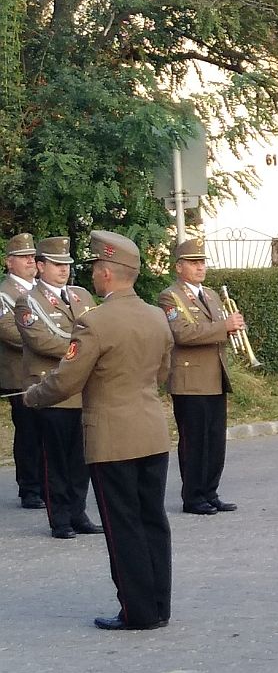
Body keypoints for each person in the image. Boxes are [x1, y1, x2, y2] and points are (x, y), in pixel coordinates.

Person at [24, 231, 173, 630]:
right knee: (153, 519)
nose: (92, 276)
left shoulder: (95, 322)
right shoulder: (157, 316)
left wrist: (32, 397)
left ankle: (137, 611)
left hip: (112, 438)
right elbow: (164, 373)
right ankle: (159, 606)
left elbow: (67, 380)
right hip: (152, 430)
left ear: (107, 274)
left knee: (122, 525)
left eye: (95, 269)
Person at [17, 237, 100, 539]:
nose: (63, 270)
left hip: (83, 389)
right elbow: (42, 342)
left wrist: (90, 347)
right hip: (50, 388)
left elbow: (98, 331)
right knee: (56, 460)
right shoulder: (29, 300)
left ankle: (79, 514)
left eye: (66, 264)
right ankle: (60, 519)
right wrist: (87, 349)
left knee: (81, 459)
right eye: (55, 264)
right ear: (40, 266)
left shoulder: (81, 296)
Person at [157, 238, 244, 517]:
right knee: (194, 441)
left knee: (215, 439)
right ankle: (193, 496)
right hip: (190, 379)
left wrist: (231, 329)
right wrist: (223, 327)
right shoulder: (170, 297)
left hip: (215, 376)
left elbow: (215, 330)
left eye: (202, 262)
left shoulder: (212, 295)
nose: (200, 267)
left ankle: (210, 491)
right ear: (179, 266)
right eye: (193, 263)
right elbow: (181, 333)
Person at [0, 234, 43, 510]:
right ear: (9, 262)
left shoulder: (42, 290)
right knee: (28, 432)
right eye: (24, 257)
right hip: (19, 373)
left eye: (32, 256)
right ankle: (30, 488)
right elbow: (9, 332)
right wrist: (46, 340)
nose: (30, 261)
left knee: (45, 431)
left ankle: (43, 482)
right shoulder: (6, 293)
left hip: (44, 373)